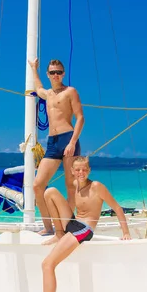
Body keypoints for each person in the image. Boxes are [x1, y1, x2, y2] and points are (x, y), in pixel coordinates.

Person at [25, 156, 132, 292]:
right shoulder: (75, 184)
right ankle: (58, 234)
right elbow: (73, 209)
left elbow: (117, 208)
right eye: (77, 170)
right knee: (49, 192)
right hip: (73, 223)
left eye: (84, 169)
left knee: (47, 264)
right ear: (73, 172)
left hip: (84, 229)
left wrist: (126, 232)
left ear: (88, 170)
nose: (81, 173)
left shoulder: (96, 186)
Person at [28, 58, 85, 239]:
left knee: (70, 185)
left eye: (59, 72)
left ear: (63, 74)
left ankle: (69, 226)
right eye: (52, 72)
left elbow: (80, 118)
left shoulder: (70, 91)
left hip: (68, 139)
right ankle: (49, 227)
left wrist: (72, 142)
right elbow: (38, 88)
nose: (56, 75)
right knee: (37, 185)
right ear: (48, 74)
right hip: (52, 143)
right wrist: (34, 68)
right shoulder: (48, 94)